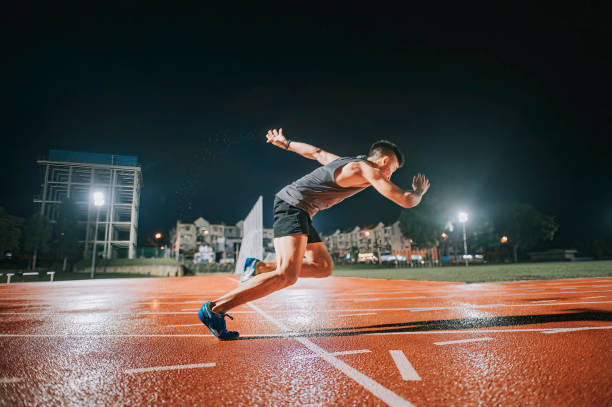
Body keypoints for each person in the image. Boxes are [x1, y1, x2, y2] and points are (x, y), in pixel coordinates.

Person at [198, 128, 430, 339]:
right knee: (287, 275)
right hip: (293, 205)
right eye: (393, 169)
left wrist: (287, 142)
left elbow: (317, 152)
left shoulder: (347, 162)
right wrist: (418, 193)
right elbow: (405, 200)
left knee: (322, 267)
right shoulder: (367, 169)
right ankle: (215, 308)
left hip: (301, 210)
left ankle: (260, 267)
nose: (391, 174)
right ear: (384, 160)